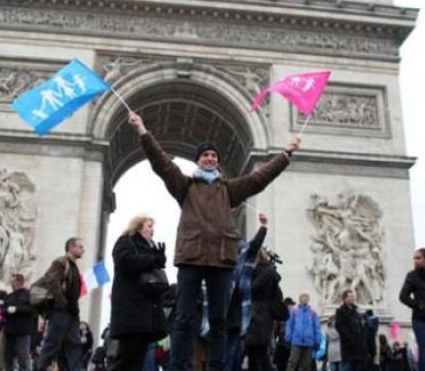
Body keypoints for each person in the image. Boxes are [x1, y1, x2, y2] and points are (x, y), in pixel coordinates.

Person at [128, 111, 300, 371]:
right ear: (198, 160)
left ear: (217, 163)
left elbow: (259, 178)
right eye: (206, 155)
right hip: (191, 257)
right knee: (184, 319)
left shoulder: (229, 189)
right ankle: (179, 366)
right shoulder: (184, 185)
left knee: (219, 320)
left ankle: (217, 367)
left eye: (214, 156)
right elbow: (162, 163)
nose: (210, 158)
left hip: (221, 259)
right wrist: (142, 130)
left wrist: (285, 154)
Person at [110, 216, 168, 370]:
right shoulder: (125, 241)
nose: (152, 230)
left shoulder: (149, 248)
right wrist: (152, 260)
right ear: (138, 226)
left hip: (146, 316)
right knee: (125, 359)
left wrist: (159, 261)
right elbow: (125, 262)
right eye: (149, 226)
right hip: (131, 312)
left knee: (136, 361)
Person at [226, 212, 269, 371]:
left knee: (235, 354)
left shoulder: (243, 253)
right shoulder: (223, 254)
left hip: (237, 315)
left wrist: (263, 226)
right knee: (227, 355)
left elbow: (255, 244)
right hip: (225, 313)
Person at [36, 237, 85, 371]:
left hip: (71, 314)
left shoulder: (73, 266)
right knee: (52, 345)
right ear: (71, 247)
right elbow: (53, 283)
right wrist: (61, 303)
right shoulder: (60, 262)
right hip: (61, 312)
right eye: (80, 247)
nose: (83, 250)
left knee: (74, 346)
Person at [244, 245, 288, 370]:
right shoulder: (266, 273)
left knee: (260, 354)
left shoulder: (265, 274)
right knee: (254, 354)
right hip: (260, 316)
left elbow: (251, 289)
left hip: (259, 316)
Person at [3, 273, 34, 371]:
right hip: (10, 330)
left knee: (23, 357)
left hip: (23, 330)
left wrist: (16, 309)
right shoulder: (9, 296)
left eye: (13, 281)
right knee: (8, 356)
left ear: (19, 282)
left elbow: (32, 310)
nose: (11, 284)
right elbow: (3, 310)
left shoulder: (28, 294)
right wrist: (7, 311)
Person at [285, 293, 322, 371]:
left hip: (309, 342)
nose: (305, 299)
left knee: (307, 364)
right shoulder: (294, 311)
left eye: (306, 297)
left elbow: (317, 327)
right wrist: (288, 337)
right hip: (296, 340)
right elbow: (289, 325)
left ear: (308, 299)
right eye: (303, 297)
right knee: (293, 361)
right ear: (300, 299)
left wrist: (317, 340)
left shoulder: (313, 312)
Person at [335, 290, 366, 371]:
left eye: (353, 296)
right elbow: (339, 326)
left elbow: (361, 326)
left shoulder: (356, 311)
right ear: (345, 299)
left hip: (359, 347)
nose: (353, 298)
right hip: (348, 347)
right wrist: (349, 337)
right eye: (350, 296)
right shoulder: (340, 311)